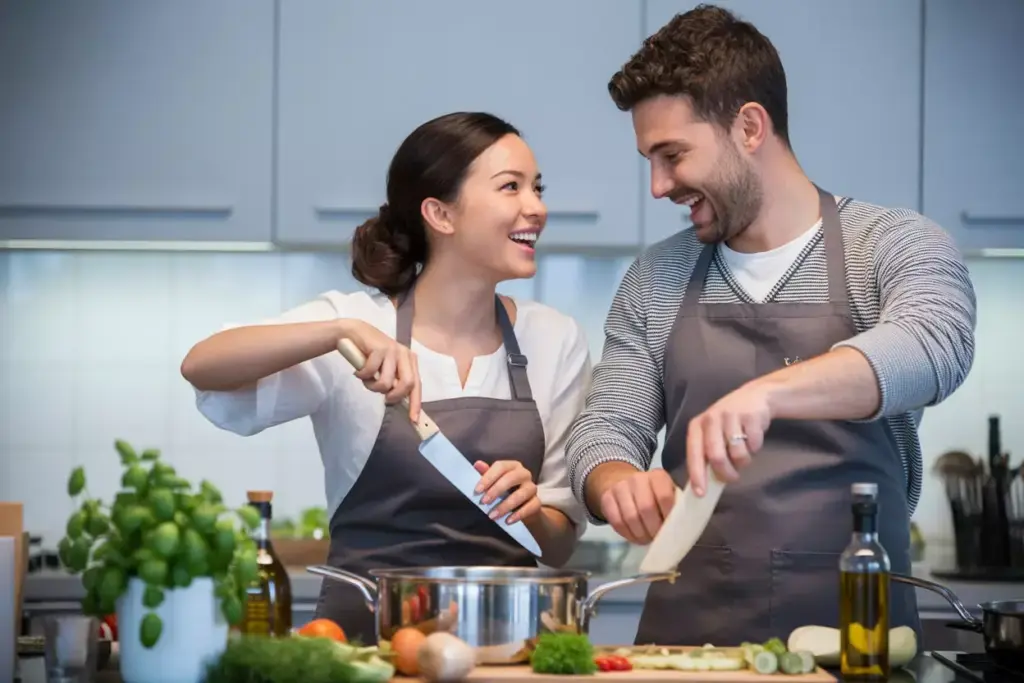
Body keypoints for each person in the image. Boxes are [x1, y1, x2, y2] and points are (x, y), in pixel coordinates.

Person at [565, 5, 977, 646]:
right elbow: (605, 429)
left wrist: (767, 394)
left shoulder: (892, 244)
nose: (657, 185)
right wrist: (615, 482)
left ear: (750, 127)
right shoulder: (655, 277)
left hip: (857, 639)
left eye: (672, 155)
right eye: (649, 159)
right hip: (687, 643)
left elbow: (932, 345)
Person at [181, 111, 592, 643]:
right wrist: (336, 332)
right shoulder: (358, 328)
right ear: (440, 214)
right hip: (360, 646)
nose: (536, 207)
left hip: (501, 649)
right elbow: (203, 366)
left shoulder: (554, 339)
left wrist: (532, 511)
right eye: (510, 187)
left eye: (536, 188)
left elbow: (558, 546)